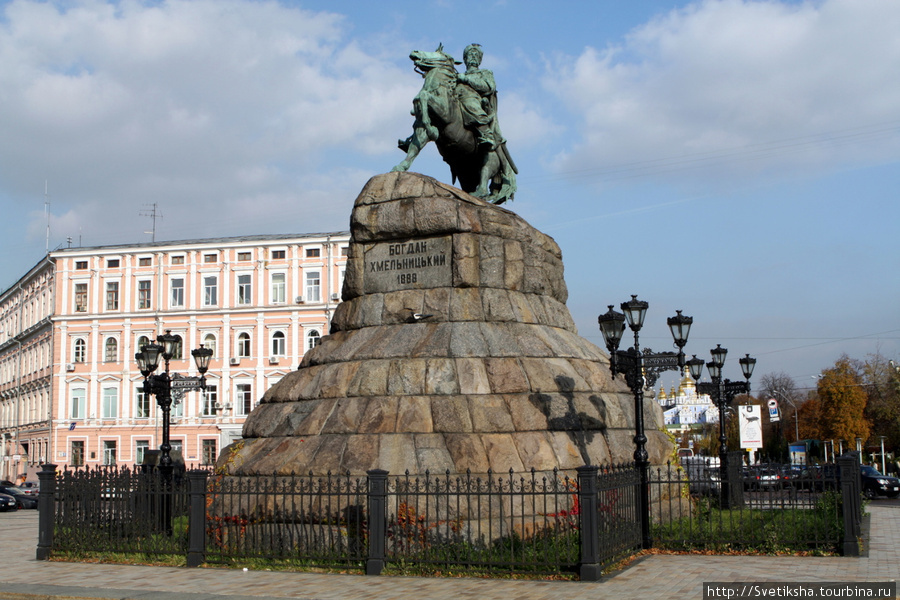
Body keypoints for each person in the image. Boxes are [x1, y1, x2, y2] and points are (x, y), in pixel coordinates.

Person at [456, 44, 499, 150]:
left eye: (476, 55)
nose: (474, 56)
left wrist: (466, 79)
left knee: (470, 103)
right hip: (458, 101)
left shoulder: (485, 73)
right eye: (470, 54)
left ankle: (486, 133)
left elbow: (489, 87)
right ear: (465, 59)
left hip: (476, 102)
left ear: (480, 60)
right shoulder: (458, 77)